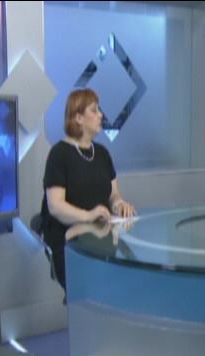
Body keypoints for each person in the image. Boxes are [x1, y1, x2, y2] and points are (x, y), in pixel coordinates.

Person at [41, 88, 136, 290]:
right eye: (94, 110)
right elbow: (55, 206)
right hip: (69, 240)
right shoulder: (59, 154)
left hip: (101, 235)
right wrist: (88, 215)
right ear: (78, 118)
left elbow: (113, 193)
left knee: (125, 280)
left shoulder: (102, 153)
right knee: (96, 286)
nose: (101, 115)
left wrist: (119, 204)